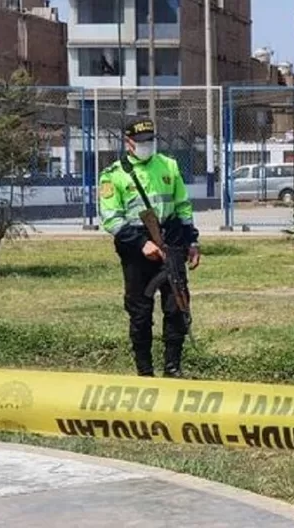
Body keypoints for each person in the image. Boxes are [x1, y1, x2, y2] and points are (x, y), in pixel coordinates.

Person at [98, 117, 201, 378]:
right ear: (128, 142)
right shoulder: (113, 175)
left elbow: (182, 206)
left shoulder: (169, 165)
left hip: (171, 241)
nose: (147, 146)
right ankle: (145, 371)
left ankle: (172, 367)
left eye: (150, 141)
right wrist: (142, 244)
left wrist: (192, 241)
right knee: (140, 312)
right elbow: (111, 219)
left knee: (177, 305)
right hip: (136, 248)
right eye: (141, 142)